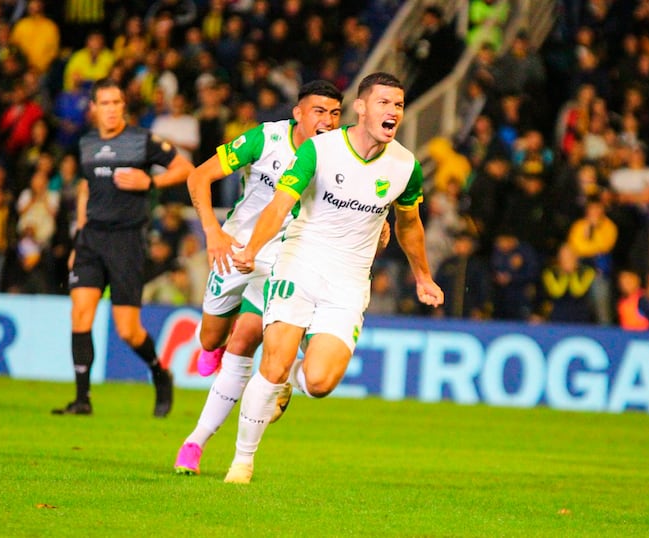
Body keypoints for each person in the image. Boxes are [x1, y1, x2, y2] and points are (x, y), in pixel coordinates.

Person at [224, 72, 444, 484]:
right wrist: (252, 248)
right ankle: (242, 462)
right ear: (361, 107)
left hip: (348, 283)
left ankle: (292, 380)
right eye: (383, 102)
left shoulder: (405, 166)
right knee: (272, 362)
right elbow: (279, 205)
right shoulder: (318, 151)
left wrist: (423, 276)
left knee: (321, 381)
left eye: (397, 104)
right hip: (299, 265)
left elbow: (409, 224)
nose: (392, 111)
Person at [172, 80, 345, 476]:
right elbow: (198, 177)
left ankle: (194, 444)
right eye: (319, 111)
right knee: (210, 340)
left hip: (284, 260)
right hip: (235, 248)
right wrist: (213, 231)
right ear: (298, 113)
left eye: (335, 114)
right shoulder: (264, 139)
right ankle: (218, 350)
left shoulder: (338, 157)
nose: (328, 121)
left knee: (244, 338)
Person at [51, 77, 193, 417]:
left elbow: (185, 169)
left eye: (117, 103)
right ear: (94, 109)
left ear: (123, 107)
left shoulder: (141, 141)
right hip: (90, 239)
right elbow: (87, 188)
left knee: (127, 329)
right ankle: (82, 399)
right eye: (105, 104)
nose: (112, 110)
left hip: (127, 241)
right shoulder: (86, 143)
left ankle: (160, 372)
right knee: (80, 313)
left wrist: (152, 181)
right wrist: (78, 239)